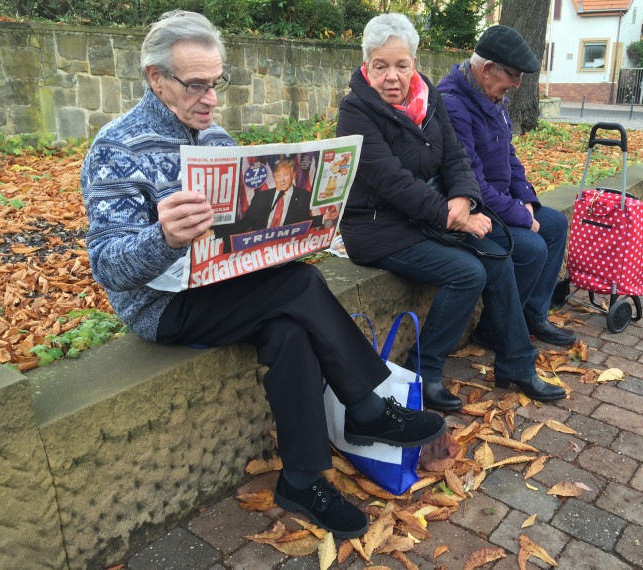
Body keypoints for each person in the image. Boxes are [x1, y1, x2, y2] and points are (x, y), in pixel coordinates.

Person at [80, 9, 445, 539]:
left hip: (226, 281)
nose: (210, 98)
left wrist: (299, 231)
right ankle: (367, 406)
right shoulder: (116, 149)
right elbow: (108, 266)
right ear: (155, 78)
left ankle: (302, 479)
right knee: (299, 285)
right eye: (196, 85)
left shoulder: (218, 138)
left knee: (290, 324)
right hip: (161, 305)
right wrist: (161, 237)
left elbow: (243, 228)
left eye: (216, 83)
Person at [336, 13, 566, 412]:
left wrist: (463, 197)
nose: (392, 76)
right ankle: (424, 371)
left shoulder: (428, 95)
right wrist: (453, 214)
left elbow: (456, 158)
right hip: (380, 228)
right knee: (469, 272)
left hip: (428, 216)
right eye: (381, 66)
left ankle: (516, 365)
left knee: (496, 256)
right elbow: (391, 183)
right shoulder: (355, 112)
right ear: (366, 65)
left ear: (413, 63)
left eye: (402, 65)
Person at [437, 26, 577, 347]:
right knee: (531, 248)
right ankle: (493, 328)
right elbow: (472, 185)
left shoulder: (491, 95)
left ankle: (532, 315)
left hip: (497, 203)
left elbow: (509, 156)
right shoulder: (454, 105)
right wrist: (520, 215)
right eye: (512, 76)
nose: (515, 86)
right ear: (487, 69)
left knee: (555, 225)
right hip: (470, 209)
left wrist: (525, 199)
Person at [237, 154, 316, 232]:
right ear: (274, 178)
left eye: (286, 175)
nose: (282, 180)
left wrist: (323, 218)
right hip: (261, 241)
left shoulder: (304, 196)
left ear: (293, 175)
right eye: (278, 177)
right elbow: (244, 224)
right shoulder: (261, 197)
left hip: (286, 241)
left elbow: (305, 223)